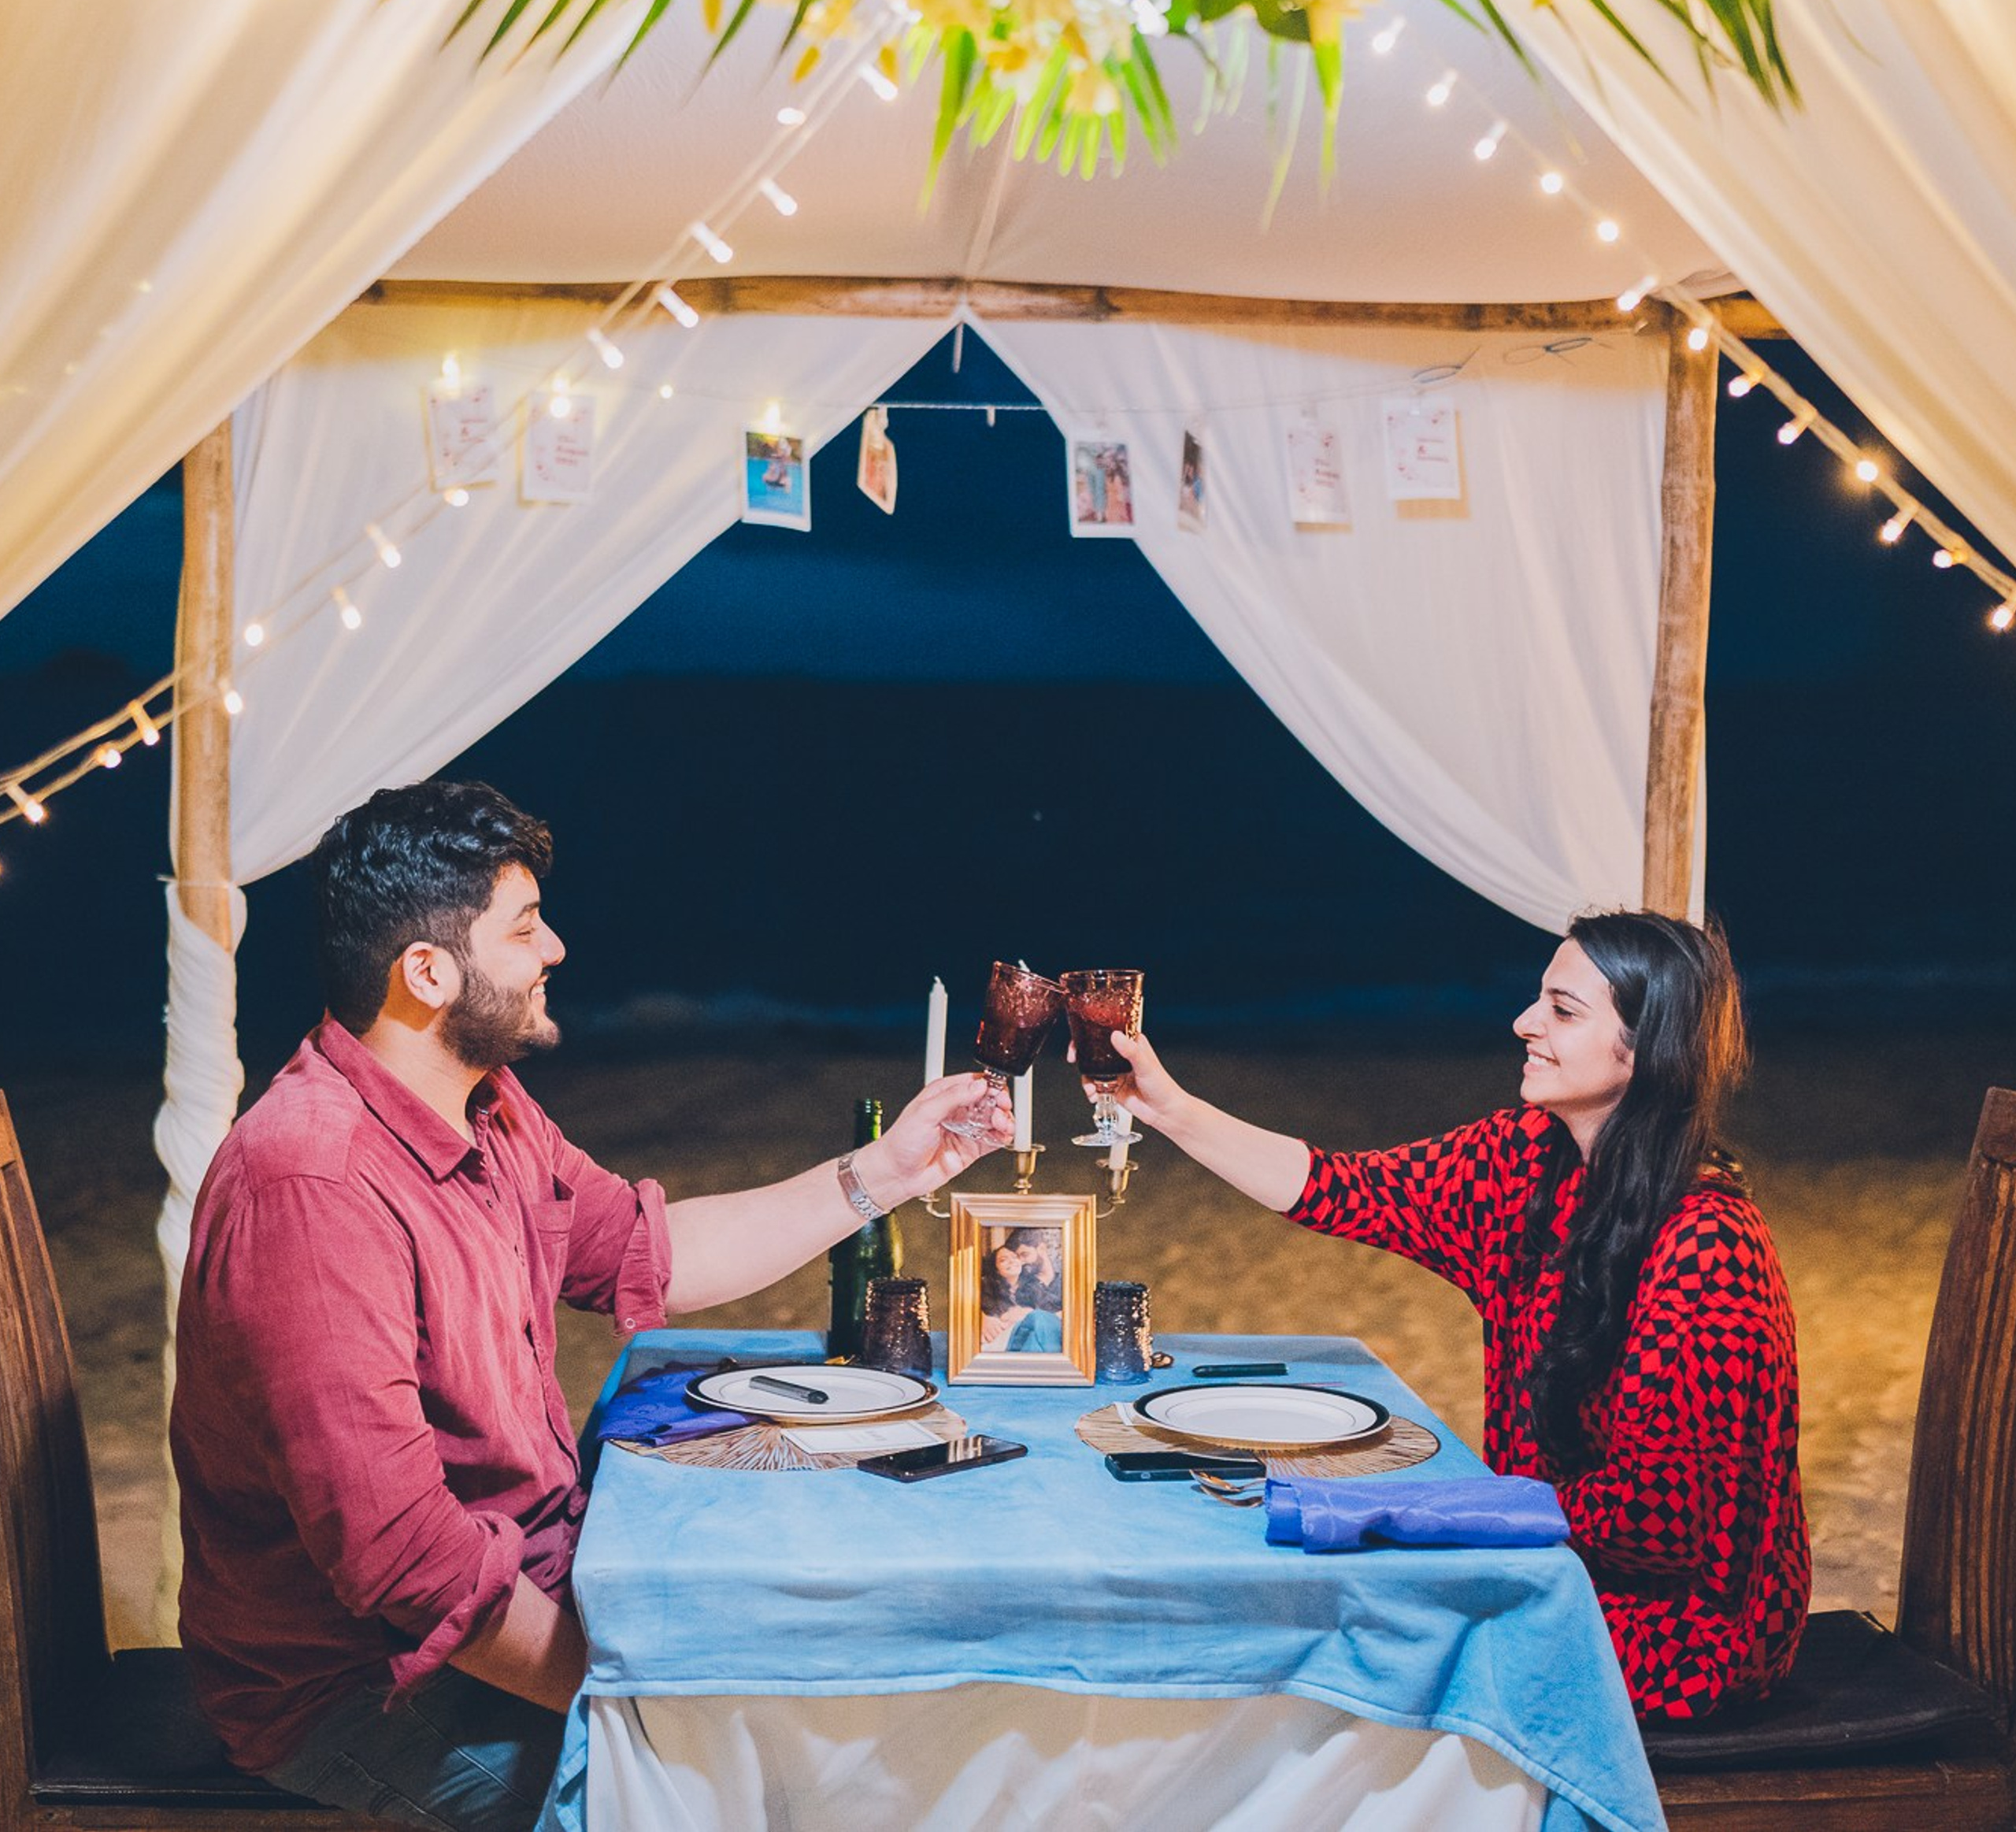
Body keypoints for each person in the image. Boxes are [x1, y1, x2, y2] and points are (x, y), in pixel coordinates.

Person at [169, 781, 1010, 1831]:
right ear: (428, 972)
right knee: (770, 1790)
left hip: (532, 1589)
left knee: (841, 1673)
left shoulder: (485, 1108)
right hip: (367, 1694)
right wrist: (649, 1701)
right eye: (524, 929)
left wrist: (885, 1173)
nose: (556, 949)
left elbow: (645, 1248)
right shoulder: (314, 1188)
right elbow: (410, 1572)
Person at [1095, 911, 1809, 1722]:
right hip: (1545, 1563)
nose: (1524, 1022)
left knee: (1358, 1634)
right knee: (1331, 1602)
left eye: (1562, 1010)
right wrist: (1167, 1106)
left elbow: (1659, 1525)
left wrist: (1446, 1512)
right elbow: (1343, 1187)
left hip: (1678, 1631)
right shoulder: (1526, 1161)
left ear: (1648, 1047)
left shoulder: (1706, 1249)